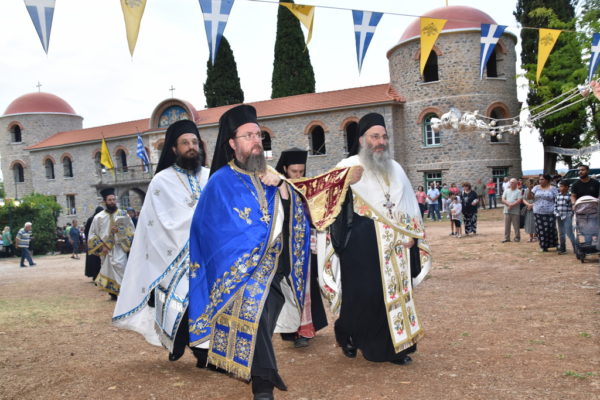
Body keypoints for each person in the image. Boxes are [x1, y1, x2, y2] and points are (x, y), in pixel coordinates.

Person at [318, 112, 431, 370]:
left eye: (384, 137)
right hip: (361, 246)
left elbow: (409, 207)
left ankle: (395, 346)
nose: (380, 142)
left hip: (396, 247)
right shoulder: (348, 165)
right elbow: (324, 200)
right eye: (374, 136)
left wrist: (412, 235)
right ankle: (348, 334)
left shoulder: (396, 168)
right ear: (361, 140)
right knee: (363, 296)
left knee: (394, 294)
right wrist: (344, 182)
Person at [113, 119, 210, 366]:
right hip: (173, 252)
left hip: (207, 253)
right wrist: (194, 223)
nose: (191, 147)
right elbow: (155, 222)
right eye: (185, 143)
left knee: (205, 302)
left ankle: (201, 350)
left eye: (194, 142)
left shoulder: (210, 176)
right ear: (174, 149)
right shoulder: (161, 181)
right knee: (182, 303)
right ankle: (179, 341)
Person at [274, 147, 328, 349]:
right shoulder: (277, 188)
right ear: (285, 169)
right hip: (285, 247)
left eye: (301, 171)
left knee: (306, 287)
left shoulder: (306, 187)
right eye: (294, 171)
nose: (298, 175)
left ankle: (306, 329)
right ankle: (292, 330)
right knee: (289, 287)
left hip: (304, 246)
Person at [87, 188, 135, 300]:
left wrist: (120, 231)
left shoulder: (123, 214)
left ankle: (123, 293)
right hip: (106, 249)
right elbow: (92, 234)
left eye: (113, 199)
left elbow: (131, 231)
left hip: (119, 247)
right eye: (109, 200)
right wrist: (101, 246)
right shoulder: (98, 217)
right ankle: (113, 293)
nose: (112, 202)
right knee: (108, 271)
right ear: (105, 201)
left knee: (121, 268)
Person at [532, 174, 559, 252]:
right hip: (538, 212)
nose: (540, 181)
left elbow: (557, 199)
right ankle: (543, 246)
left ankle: (555, 244)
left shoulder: (553, 188)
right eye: (539, 179)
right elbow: (530, 197)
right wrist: (530, 188)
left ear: (547, 180)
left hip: (550, 212)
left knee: (551, 229)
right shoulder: (536, 188)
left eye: (542, 179)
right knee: (541, 230)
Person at [554, 180, 576, 255]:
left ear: (567, 187)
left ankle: (576, 248)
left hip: (567, 216)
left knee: (569, 233)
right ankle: (563, 249)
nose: (560, 188)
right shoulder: (558, 195)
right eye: (560, 186)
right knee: (561, 233)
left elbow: (572, 207)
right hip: (559, 216)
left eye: (562, 186)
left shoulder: (570, 196)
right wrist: (556, 213)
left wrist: (570, 215)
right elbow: (555, 206)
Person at [84, 206, 104, 280]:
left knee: (94, 260)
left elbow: (86, 231)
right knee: (97, 260)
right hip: (97, 242)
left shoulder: (92, 219)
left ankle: (95, 275)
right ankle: (97, 276)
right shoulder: (95, 219)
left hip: (93, 242)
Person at [501, 178, 522, 243]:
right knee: (507, 225)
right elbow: (503, 199)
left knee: (516, 225)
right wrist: (509, 204)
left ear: (516, 184)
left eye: (513, 182)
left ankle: (517, 237)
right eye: (510, 182)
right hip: (506, 211)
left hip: (515, 211)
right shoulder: (506, 190)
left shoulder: (518, 191)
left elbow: (519, 200)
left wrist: (511, 205)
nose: (511, 183)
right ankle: (507, 238)